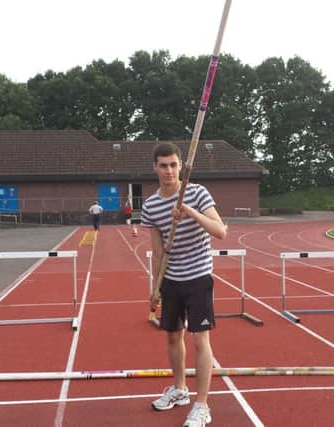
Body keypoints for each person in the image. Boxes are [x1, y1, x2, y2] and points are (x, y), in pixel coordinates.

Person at [141, 142, 227, 427]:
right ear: (154, 167)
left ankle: (202, 405)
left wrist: (188, 211)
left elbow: (221, 231)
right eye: (163, 165)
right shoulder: (151, 205)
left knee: (200, 338)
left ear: (181, 166)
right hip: (171, 279)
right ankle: (179, 389)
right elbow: (156, 250)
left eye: (173, 165)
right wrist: (155, 288)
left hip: (198, 276)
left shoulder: (197, 193)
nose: (168, 171)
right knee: (172, 336)